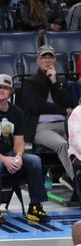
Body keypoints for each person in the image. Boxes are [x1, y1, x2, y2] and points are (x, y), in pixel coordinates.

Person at [0, 74, 51, 225]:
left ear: (11, 92)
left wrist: (19, 156)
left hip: (8, 153)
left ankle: (35, 206)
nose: (2, 90)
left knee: (34, 160)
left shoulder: (17, 112)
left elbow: (19, 142)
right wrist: (2, 158)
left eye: (6, 88)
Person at [22, 45, 75, 182]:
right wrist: (63, 110)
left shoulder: (59, 81)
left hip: (64, 124)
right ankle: (77, 180)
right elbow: (37, 106)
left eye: (50, 57)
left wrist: (55, 82)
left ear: (55, 60)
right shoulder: (30, 82)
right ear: (38, 61)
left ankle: (68, 176)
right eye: (43, 57)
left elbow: (69, 102)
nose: (47, 60)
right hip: (41, 127)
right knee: (62, 145)